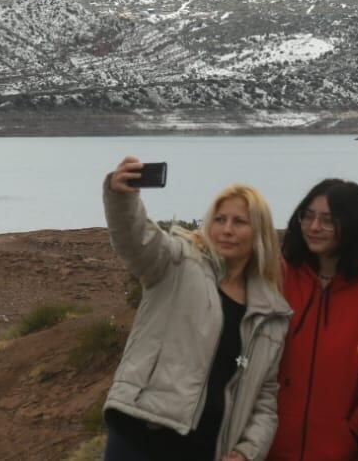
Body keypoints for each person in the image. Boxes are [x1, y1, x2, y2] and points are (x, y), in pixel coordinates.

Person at [101, 156, 292, 461]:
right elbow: (136, 240)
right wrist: (122, 197)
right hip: (142, 435)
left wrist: (246, 452)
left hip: (205, 449)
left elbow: (265, 398)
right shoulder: (178, 262)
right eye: (220, 219)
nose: (227, 229)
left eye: (239, 222)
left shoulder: (271, 316)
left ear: (259, 233)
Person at [269, 179, 358, 461]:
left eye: (328, 220)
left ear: (351, 225)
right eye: (308, 216)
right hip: (269, 445)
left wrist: (352, 433)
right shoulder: (277, 277)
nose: (314, 227)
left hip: (339, 450)